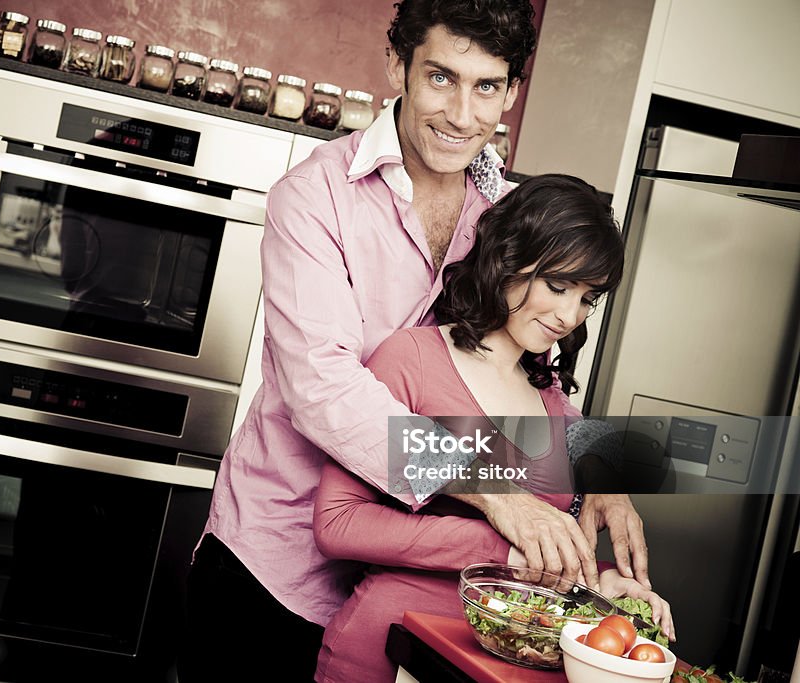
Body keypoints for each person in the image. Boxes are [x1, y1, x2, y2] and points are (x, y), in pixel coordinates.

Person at [179, 2, 649, 680]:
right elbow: (326, 391)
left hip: (408, 587)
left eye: (487, 86)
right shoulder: (314, 198)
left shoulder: (508, 219)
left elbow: (524, 374)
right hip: (274, 567)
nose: (462, 114)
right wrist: (494, 494)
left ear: (511, 94)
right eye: (441, 78)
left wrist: (594, 462)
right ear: (398, 65)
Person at [312, 173, 674, 682]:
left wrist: (602, 586)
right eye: (558, 285)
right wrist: (500, 548)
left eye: (589, 298)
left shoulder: (549, 401)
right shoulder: (411, 359)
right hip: (394, 648)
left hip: (494, 667)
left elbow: (541, 558)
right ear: (508, 257)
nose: (571, 315)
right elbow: (339, 523)